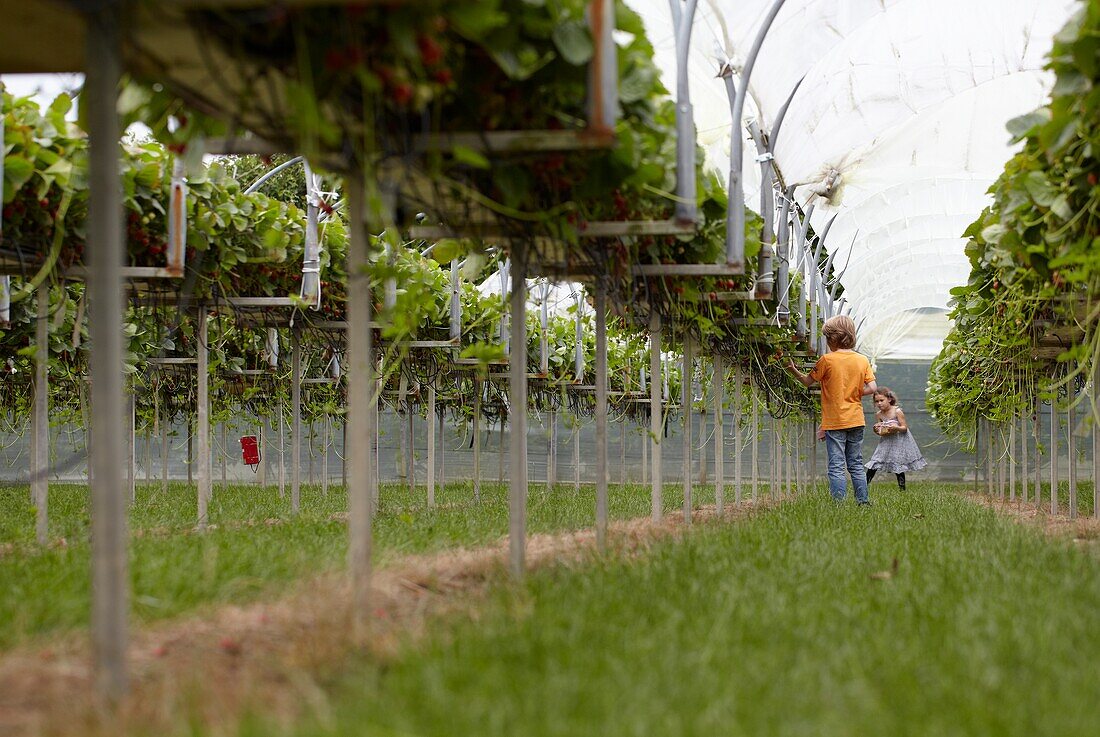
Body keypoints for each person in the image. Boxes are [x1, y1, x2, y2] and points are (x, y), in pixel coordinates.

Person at [784, 315, 877, 505]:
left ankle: (839, 504)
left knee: (836, 465)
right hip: (856, 419)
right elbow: (873, 388)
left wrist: (793, 369)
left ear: (833, 339)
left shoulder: (826, 360)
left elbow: (807, 382)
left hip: (835, 421)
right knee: (856, 464)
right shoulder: (862, 360)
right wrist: (856, 393)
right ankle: (863, 501)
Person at [866, 387, 927, 489]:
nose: (879, 403)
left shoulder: (897, 411)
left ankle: (902, 488)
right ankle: (864, 485)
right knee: (876, 460)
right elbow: (881, 431)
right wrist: (877, 429)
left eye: (881, 400)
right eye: (876, 401)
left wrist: (896, 427)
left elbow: (904, 428)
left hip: (899, 441)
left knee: (898, 462)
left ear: (889, 399)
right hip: (886, 440)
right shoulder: (879, 414)